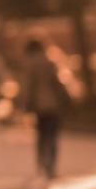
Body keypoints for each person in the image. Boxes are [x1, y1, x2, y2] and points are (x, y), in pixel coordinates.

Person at [17, 39, 72, 181]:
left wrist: (24, 106)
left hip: (39, 107)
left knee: (41, 136)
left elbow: (27, 87)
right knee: (53, 136)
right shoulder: (50, 62)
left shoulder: (29, 65)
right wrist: (66, 99)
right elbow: (59, 83)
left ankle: (42, 162)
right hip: (53, 105)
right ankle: (51, 166)